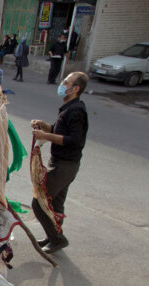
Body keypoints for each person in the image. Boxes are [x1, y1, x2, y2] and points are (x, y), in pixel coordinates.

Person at [30, 72, 89, 254]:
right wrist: (45, 126)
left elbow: (75, 140)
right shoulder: (69, 107)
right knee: (56, 204)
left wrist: (45, 136)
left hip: (65, 165)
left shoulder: (76, 110)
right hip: (64, 163)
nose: (62, 84)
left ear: (75, 88)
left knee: (39, 203)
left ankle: (57, 239)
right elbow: (59, 130)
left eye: (66, 82)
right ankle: (53, 235)